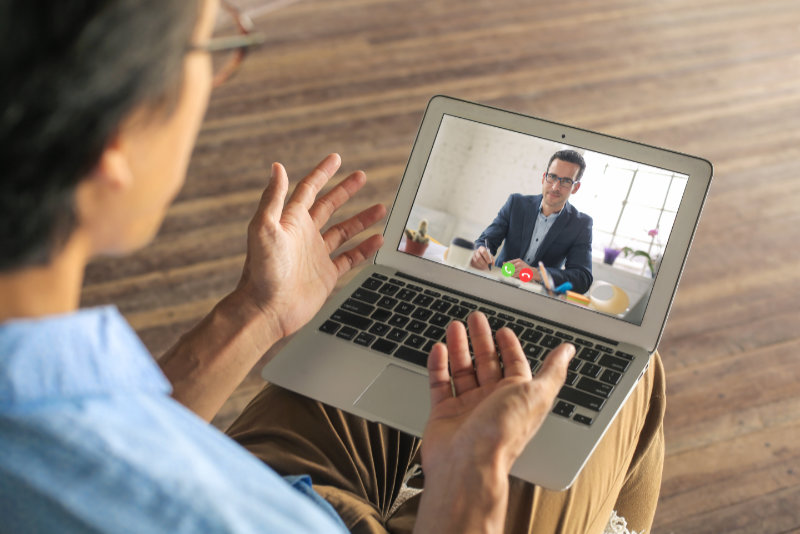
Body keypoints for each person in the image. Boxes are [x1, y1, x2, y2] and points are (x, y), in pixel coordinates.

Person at [0, 1, 665, 533]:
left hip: (274, 479)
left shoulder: (52, 407)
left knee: (430, 347)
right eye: (210, 48)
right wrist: (472, 477)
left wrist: (258, 312)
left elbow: (114, 436)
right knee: (629, 376)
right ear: (113, 142)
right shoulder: (197, 514)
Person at [470, 150, 594, 294]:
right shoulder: (516, 203)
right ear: (544, 178)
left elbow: (583, 278)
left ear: (575, 188)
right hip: (496, 284)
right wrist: (481, 252)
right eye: (552, 177)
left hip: (535, 296)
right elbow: (485, 241)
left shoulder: (581, 224)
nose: (555, 187)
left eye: (566, 181)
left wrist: (536, 273)